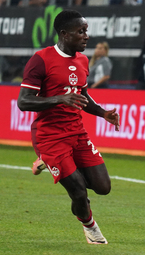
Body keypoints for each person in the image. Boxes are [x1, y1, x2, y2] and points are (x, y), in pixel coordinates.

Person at [17, 10, 120, 244]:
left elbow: (83, 96)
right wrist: (58, 99)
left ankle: (51, 164)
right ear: (64, 34)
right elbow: (23, 101)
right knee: (79, 191)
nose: (86, 36)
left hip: (77, 133)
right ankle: (91, 229)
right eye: (81, 31)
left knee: (103, 187)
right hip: (50, 137)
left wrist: (103, 113)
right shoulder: (41, 59)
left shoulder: (83, 60)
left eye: (86, 31)